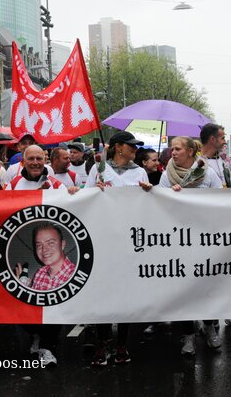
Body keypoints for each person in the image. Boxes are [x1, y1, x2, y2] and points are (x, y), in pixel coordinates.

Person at [4, 145, 77, 367]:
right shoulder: (13, 184)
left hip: (50, 250)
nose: (35, 162)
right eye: (31, 158)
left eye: (39, 158)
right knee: (21, 300)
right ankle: (35, 334)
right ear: (23, 161)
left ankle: (47, 346)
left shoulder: (56, 184)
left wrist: (73, 193)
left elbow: (71, 208)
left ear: (45, 160)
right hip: (22, 248)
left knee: (53, 302)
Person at [86, 131, 153, 366]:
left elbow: (148, 207)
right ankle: (102, 342)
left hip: (128, 241)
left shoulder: (140, 172)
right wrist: (94, 190)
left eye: (136, 146)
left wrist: (149, 193)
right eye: (130, 145)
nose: (135, 149)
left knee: (125, 293)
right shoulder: (99, 169)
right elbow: (85, 199)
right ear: (118, 147)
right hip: (103, 240)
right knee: (103, 293)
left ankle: (122, 343)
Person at [160, 136, 223, 354]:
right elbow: (159, 205)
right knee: (183, 288)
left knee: (207, 285)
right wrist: (170, 196)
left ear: (189, 151)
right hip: (178, 239)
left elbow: (222, 200)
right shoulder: (166, 175)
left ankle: (209, 326)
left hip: (204, 237)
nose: (173, 152)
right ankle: (187, 335)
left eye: (177, 149)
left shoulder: (208, 173)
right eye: (172, 149)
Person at [14, 223, 75, 291]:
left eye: (50, 243)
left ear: (62, 245)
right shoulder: (40, 273)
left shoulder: (75, 276)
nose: (44, 249)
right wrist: (25, 289)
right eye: (39, 245)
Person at [200, 123, 231, 188]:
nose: (225, 142)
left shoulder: (222, 161)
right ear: (212, 139)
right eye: (222, 138)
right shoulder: (196, 163)